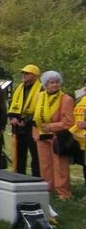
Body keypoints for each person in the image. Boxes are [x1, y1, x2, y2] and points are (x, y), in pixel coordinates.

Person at [32, 71, 74, 200]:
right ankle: (48, 189)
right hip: (41, 135)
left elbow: (69, 122)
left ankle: (63, 192)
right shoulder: (39, 96)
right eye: (51, 82)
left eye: (56, 82)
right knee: (45, 164)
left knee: (60, 165)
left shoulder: (66, 99)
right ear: (45, 84)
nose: (55, 85)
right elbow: (35, 116)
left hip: (58, 137)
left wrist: (52, 126)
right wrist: (36, 133)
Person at [8, 64, 41, 176]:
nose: (23, 75)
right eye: (23, 73)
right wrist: (12, 118)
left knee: (35, 155)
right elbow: (12, 104)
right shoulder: (19, 88)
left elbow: (39, 109)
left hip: (32, 127)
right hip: (17, 127)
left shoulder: (41, 89)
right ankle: (18, 176)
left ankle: (36, 178)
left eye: (27, 73)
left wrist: (25, 121)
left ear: (35, 76)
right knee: (19, 154)